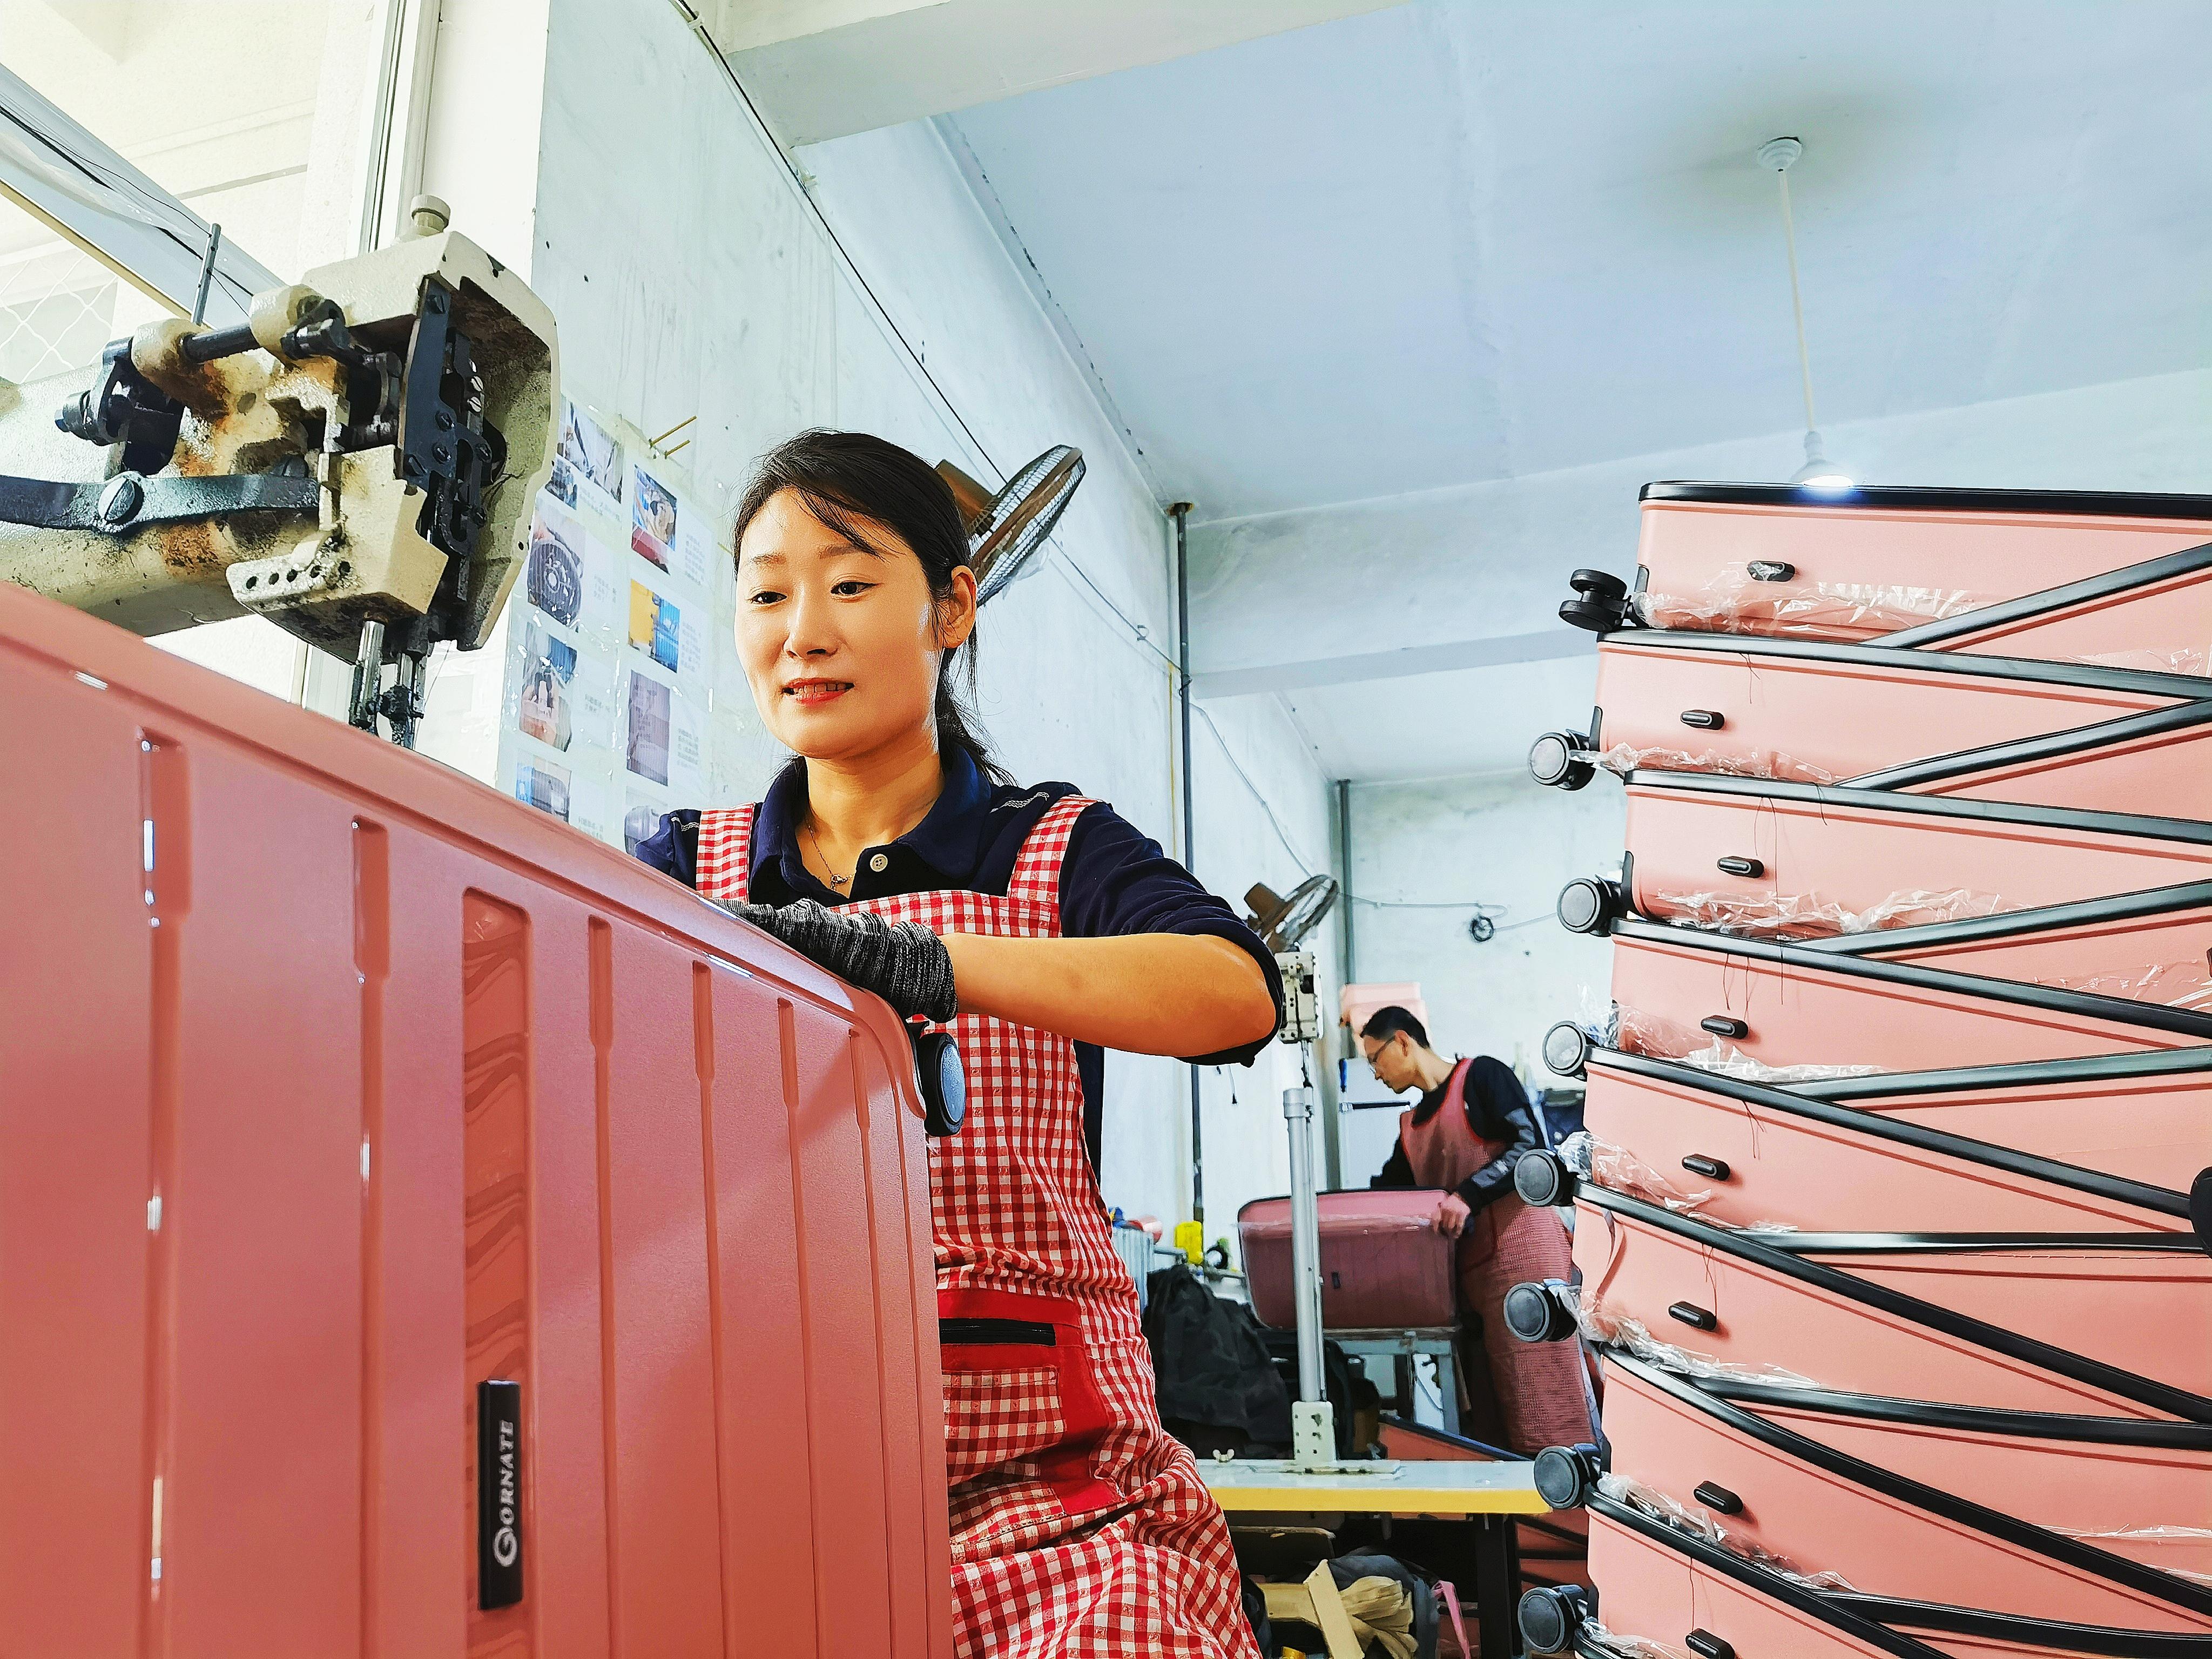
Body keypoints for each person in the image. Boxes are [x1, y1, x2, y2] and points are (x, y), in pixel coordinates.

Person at [633, 429, 1279, 1658]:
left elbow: (1232, 991)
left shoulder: (1051, 847)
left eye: (849, 582)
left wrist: (931, 964)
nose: (802, 632)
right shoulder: (687, 865)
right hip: (752, 1475)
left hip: (1054, 1490)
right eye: (767, 595)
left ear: (951, 606)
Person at [1361, 1005, 1594, 1454]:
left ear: (1403, 1042)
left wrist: (1467, 1195)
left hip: (1524, 1257)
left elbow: (1531, 1147)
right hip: (1470, 1280)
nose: (1375, 1073)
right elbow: (1387, 1197)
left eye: (1375, 1059)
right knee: (1486, 1406)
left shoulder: (1481, 1077)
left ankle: (1564, 1491)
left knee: (1543, 1391)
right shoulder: (1410, 1130)